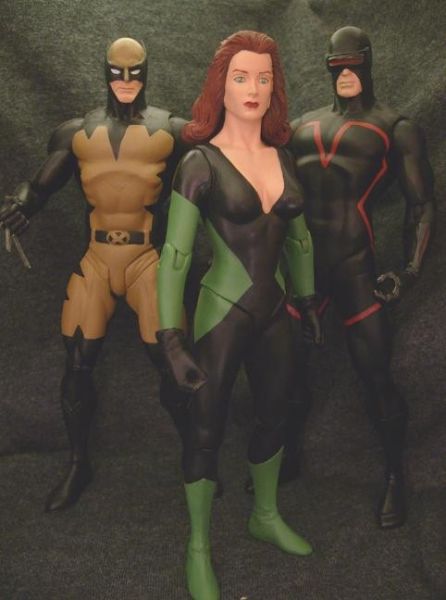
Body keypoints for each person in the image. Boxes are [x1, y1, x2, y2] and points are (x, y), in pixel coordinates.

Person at [156, 30, 322, 600]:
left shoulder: (283, 156)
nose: (253, 88)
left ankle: (265, 515)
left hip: (276, 309)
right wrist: (171, 339)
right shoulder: (199, 162)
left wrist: (307, 300)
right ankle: (199, 546)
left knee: (277, 412)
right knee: (206, 425)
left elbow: (299, 240)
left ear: (275, 89)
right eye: (241, 76)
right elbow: (175, 256)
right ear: (220, 86)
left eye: (264, 78)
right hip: (221, 312)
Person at [0, 37, 189, 511]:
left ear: (147, 72)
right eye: (117, 72)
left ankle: (195, 456)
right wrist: (21, 203)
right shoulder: (77, 133)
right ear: (104, 72)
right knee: (78, 361)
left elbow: (215, 178)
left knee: (171, 359)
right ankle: (78, 462)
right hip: (97, 258)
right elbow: (39, 186)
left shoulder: (174, 130)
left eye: (134, 72)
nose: (126, 82)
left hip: (147, 257)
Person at [286, 26, 434, 529]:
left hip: (354, 266)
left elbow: (422, 204)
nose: (346, 72)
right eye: (336, 64)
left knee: (375, 376)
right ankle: (288, 452)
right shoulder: (300, 125)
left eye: (354, 62)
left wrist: (410, 271)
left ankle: (395, 475)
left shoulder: (395, 127)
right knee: (286, 370)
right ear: (326, 66)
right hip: (304, 267)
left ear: (369, 62)